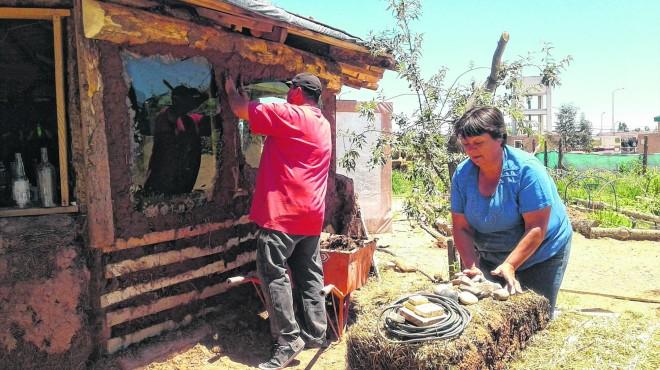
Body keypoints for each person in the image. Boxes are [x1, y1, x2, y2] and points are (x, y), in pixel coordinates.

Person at [224, 72, 331, 370]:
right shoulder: (322, 123)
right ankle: (316, 333)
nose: (286, 95)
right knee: (309, 275)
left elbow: (240, 110)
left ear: (297, 92)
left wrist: (231, 89)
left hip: (283, 214)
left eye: (289, 90)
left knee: (273, 275)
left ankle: (288, 340)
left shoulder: (293, 115)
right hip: (310, 215)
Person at [450, 106, 572, 317]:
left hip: (542, 252)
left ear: (500, 138)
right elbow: (461, 227)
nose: (471, 150)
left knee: (534, 317)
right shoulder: (463, 175)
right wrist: (471, 265)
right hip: (492, 253)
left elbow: (536, 227)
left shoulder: (527, 170)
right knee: (492, 315)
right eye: (466, 144)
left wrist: (510, 264)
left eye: (478, 143)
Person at [143, 82, 210, 195]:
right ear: (176, 100)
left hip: (183, 183)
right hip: (163, 184)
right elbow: (168, 150)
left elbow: (209, 122)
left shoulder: (189, 120)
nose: (189, 102)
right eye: (186, 99)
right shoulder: (165, 118)